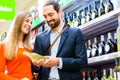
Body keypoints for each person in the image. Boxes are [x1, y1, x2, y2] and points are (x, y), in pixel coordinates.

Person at [33, 1, 87, 80]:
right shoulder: (40, 38)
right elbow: (35, 69)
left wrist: (59, 61)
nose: (48, 19)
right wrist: (36, 65)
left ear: (60, 12)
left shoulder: (75, 33)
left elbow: (82, 62)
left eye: (51, 15)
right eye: (45, 16)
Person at [0, 11, 34, 80]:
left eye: (31, 22)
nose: (29, 24)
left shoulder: (30, 46)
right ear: (19, 22)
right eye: (27, 21)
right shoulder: (4, 45)